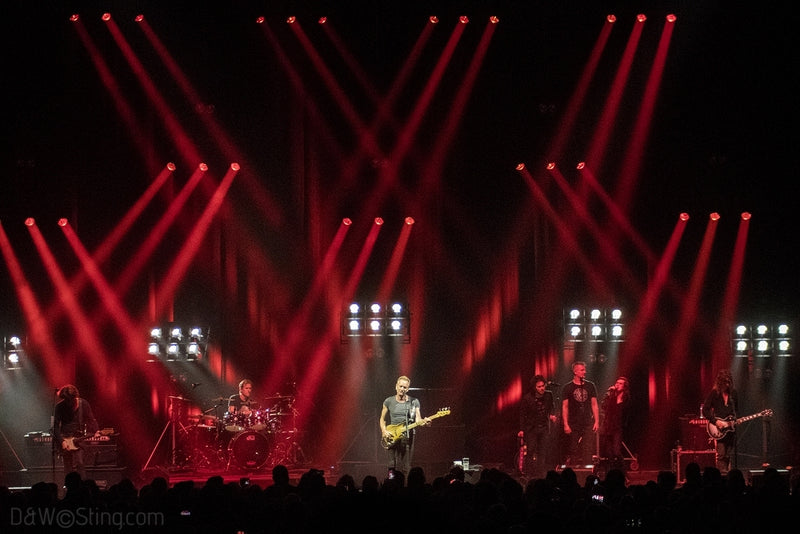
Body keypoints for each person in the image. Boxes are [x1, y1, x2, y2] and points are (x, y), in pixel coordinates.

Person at [379, 375, 430, 475]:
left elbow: (418, 419)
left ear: (408, 389)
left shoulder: (414, 402)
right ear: (396, 386)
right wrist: (384, 431)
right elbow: (382, 418)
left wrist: (425, 423)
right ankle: (392, 484)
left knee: (406, 466)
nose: (402, 389)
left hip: (408, 435)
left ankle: (405, 486)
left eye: (405, 387)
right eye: (400, 386)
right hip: (392, 434)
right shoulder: (388, 401)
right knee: (391, 464)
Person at [52, 384, 99, 479]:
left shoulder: (83, 404)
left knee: (80, 463)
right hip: (65, 438)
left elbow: (91, 419)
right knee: (68, 466)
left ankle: (83, 486)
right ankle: (69, 487)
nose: (68, 403)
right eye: (66, 400)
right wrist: (62, 441)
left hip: (79, 438)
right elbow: (56, 427)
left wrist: (96, 430)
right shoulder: (59, 407)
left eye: (70, 400)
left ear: (75, 397)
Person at [519, 374, 558, 478]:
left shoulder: (549, 395)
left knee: (542, 451)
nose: (542, 388)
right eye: (539, 387)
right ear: (534, 387)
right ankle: (529, 474)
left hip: (544, 427)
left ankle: (541, 474)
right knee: (531, 451)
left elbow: (551, 407)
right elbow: (523, 415)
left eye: (543, 386)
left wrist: (552, 415)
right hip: (532, 429)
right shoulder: (527, 398)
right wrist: (522, 429)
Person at [561, 361, 599, 466]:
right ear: (575, 371)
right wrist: (565, 424)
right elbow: (565, 406)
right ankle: (573, 471)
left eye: (584, 369)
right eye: (582, 370)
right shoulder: (567, 387)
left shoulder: (590, 385)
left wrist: (596, 421)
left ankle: (587, 472)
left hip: (587, 422)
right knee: (573, 448)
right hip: (573, 422)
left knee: (587, 448)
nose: (585, 372)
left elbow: (594, 404)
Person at [702, 369, 738, 474]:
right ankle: (722, 477)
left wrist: (735, 421)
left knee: (729, 455)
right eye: (725, 382)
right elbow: (705, 409)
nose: (727, 385)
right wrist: (715, 421)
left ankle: (728, 477)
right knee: (721, 455)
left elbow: (737, 410)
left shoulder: (734, 393)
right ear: (720, 383)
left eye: (728, 382)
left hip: (731, 430)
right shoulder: (714, 393)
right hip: (719, 430)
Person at [599, 376, 632, 472]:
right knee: (609, 453)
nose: (617, 384)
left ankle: (623, 472)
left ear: (625, 386)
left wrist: (624, 425)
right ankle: (611, 472)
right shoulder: (611, 397)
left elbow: (627, 414)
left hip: (618, 427)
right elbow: (603, 406)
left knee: (616, 452)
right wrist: (608, 394)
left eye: (620, 383)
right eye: (617, 382)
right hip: (608, 427)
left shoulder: (626, 399)